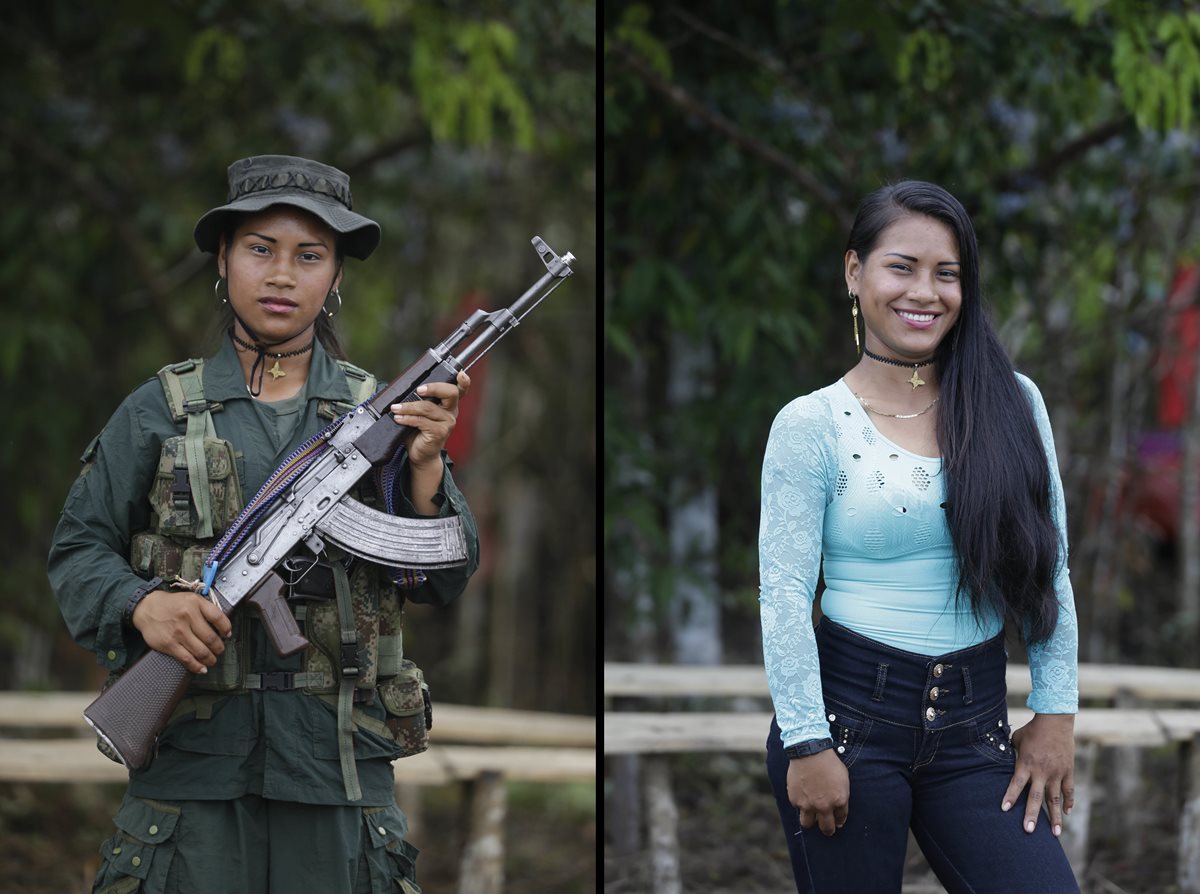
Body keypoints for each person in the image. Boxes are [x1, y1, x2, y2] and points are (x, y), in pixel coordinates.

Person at [48, 154, 479, 893]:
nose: (283, 275)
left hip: (337, 778)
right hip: (191, 788)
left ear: (336, 276)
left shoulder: (384, 415)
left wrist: (426, 468)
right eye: (261, 250)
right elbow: (77, 551)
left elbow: (440, 578)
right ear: (223, 259)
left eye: (310, 256)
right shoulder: (159, 410)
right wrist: (142, 605)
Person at [759, 180, 1080, 893]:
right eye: (901, 266)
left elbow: (1047, 570)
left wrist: (1055, 714)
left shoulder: (1012, 402)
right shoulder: (812, 425)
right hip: (847, 724)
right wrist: (807, 742)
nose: (924, 292)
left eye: (947, 273)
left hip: (976, 729)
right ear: (855, 272)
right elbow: (781, 597)